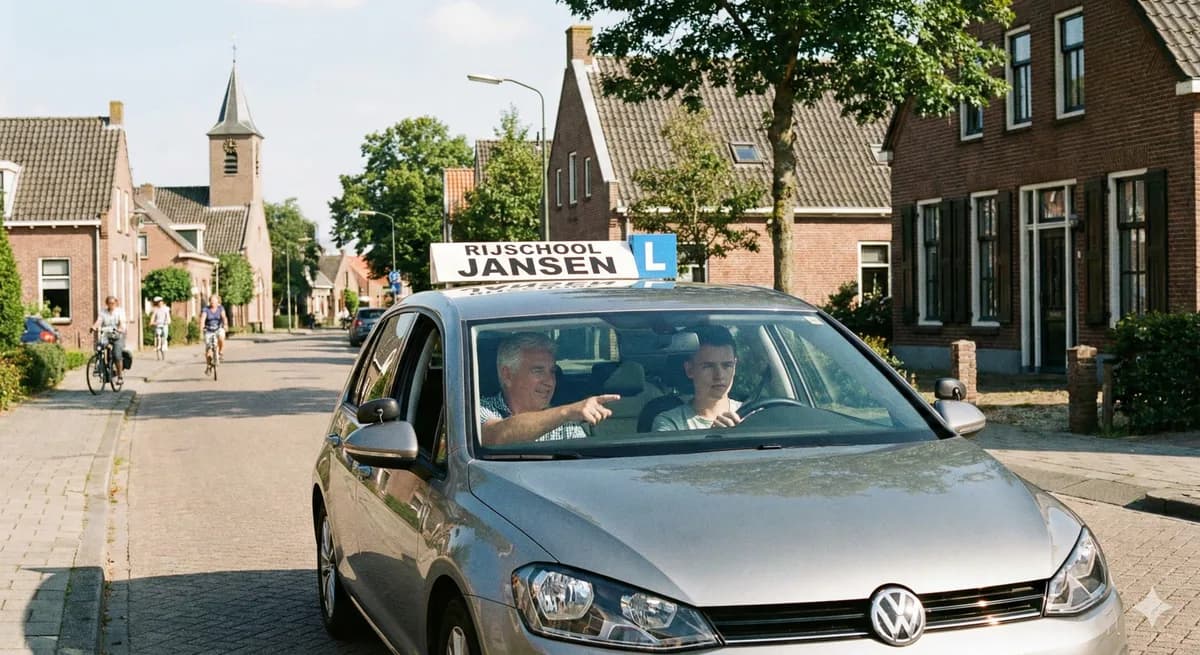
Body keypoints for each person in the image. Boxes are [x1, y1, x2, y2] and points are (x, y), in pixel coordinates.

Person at [479, 332, 620, 446]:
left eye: (552, 371)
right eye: (538, 371)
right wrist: (567, 411)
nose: (550, 381)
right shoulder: (480, 409)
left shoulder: (567, 429)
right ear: (508, 375)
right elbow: (495, 436)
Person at [653, 326, 743, 431]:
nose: (719, 375)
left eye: (727, 365)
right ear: (690, 370)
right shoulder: (670, 422)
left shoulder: (754, 414)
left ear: (735, 366)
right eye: (708, 366)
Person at [91, 295, 127, 383]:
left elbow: (122, 323)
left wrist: (120, 328)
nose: (111, 305)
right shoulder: (103, 312)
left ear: (116, 303)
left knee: (117, 355)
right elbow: (99, 321)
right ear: (106, 303)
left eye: (113, 303)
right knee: (99, 347)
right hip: (106, 335)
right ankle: (100, 368)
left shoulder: (120, 311)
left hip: (117, 335)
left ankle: (120, 377)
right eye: (109, 303)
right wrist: (94, 327)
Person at [199, 294, 229, 362]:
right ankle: (208, 363)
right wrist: (201, 330)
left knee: (221, 337)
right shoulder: (206, 309)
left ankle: (220, 352)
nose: (213, 303)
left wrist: (225, 325)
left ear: (217, 302)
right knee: (208, 347)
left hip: (218, 328)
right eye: (211, 301)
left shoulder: (220, 308)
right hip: (208, 329)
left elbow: (224, 317)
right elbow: (202, 319)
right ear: (209, 302)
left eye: (214, 301)